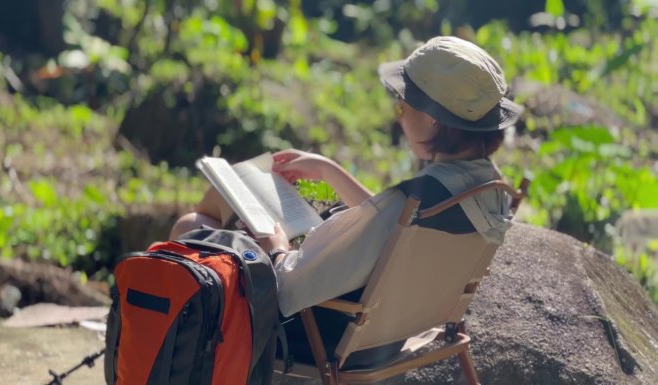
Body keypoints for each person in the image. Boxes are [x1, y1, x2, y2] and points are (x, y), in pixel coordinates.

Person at [169, 35, 523, 367]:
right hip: (389, 334)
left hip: (319, 338)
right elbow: (398, 231)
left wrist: (276, 249)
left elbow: (289, 287)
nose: (398, 114)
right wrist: (329, 171)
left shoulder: (411, 201)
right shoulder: (485, 187)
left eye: (402, 107)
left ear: (433, 119)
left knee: (192, 225)